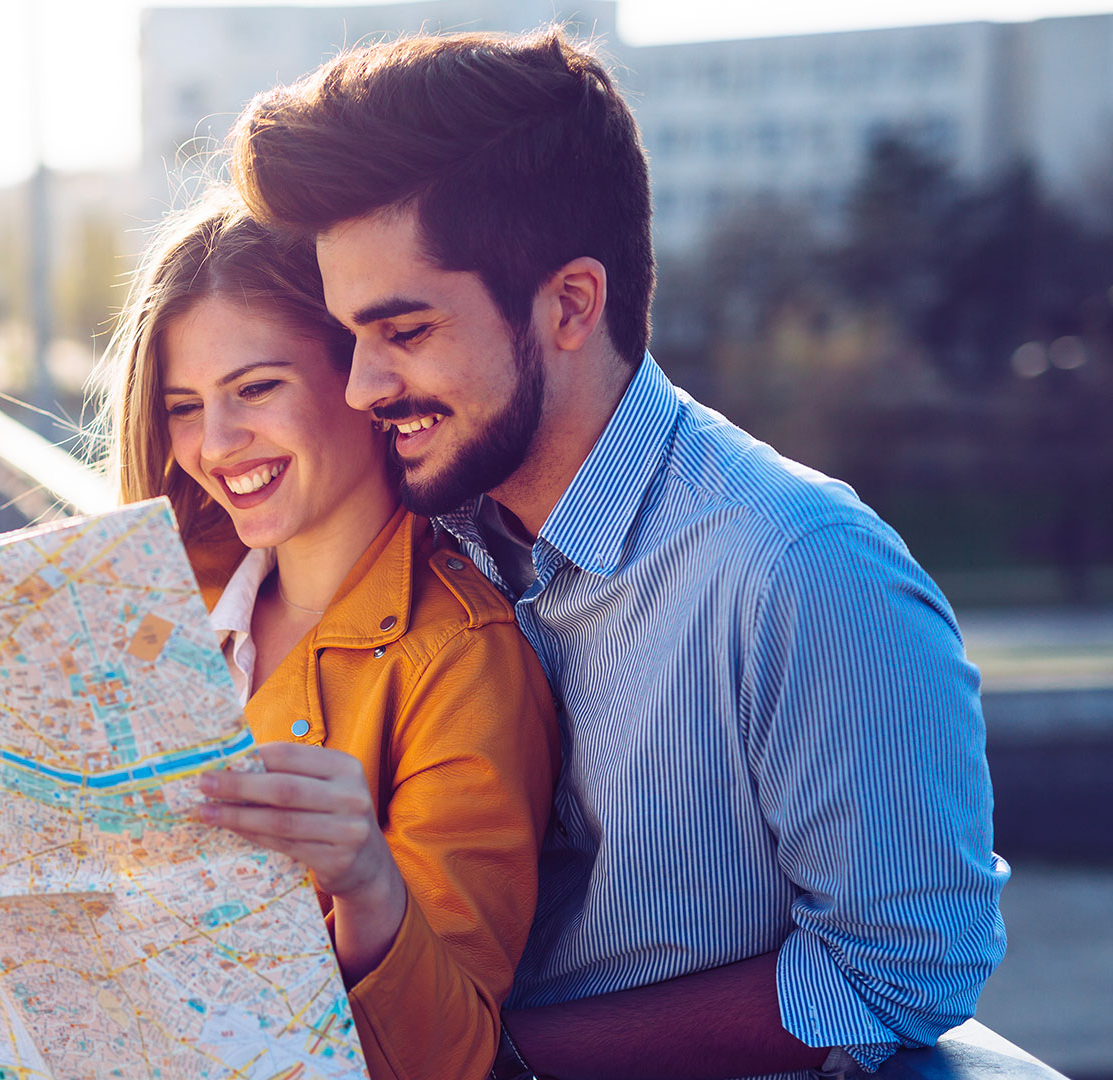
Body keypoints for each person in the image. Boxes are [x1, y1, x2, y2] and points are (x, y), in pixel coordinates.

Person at [224, 27, 1009, 1080]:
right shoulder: (413, 526)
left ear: (571, 304)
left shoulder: (805, 575)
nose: (363, 388)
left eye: (404, 332)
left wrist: (491, 1055)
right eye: (349, 338)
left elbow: (899, 972)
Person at [0, 193, 560, 1078]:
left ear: (360, 379)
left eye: (257, 388)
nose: (217, 443)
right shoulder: (135, 602)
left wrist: (370, 885)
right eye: (183, 406)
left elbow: (456, 1057)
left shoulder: (462, 661)